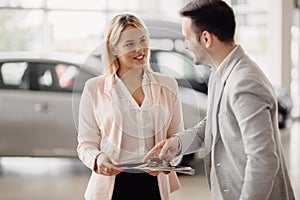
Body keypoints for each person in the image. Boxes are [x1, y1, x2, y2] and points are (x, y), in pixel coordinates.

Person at [144, 1, 295, 199]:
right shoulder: (219, 72)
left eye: (187, 38)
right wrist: (177, 144)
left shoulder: (244, 83)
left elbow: (263, 160)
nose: (186, 45)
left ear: (206, 38)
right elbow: (213, 126)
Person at [77, 13, 184, 200]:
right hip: (113, 184)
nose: (140, 49)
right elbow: (86, 143)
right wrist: (98, 159)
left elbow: (177, 138)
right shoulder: (94, 88)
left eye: (143, 40)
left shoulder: (168, 85)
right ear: (113, 49)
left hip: (155, 184)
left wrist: (168, 159)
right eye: (129, 44)